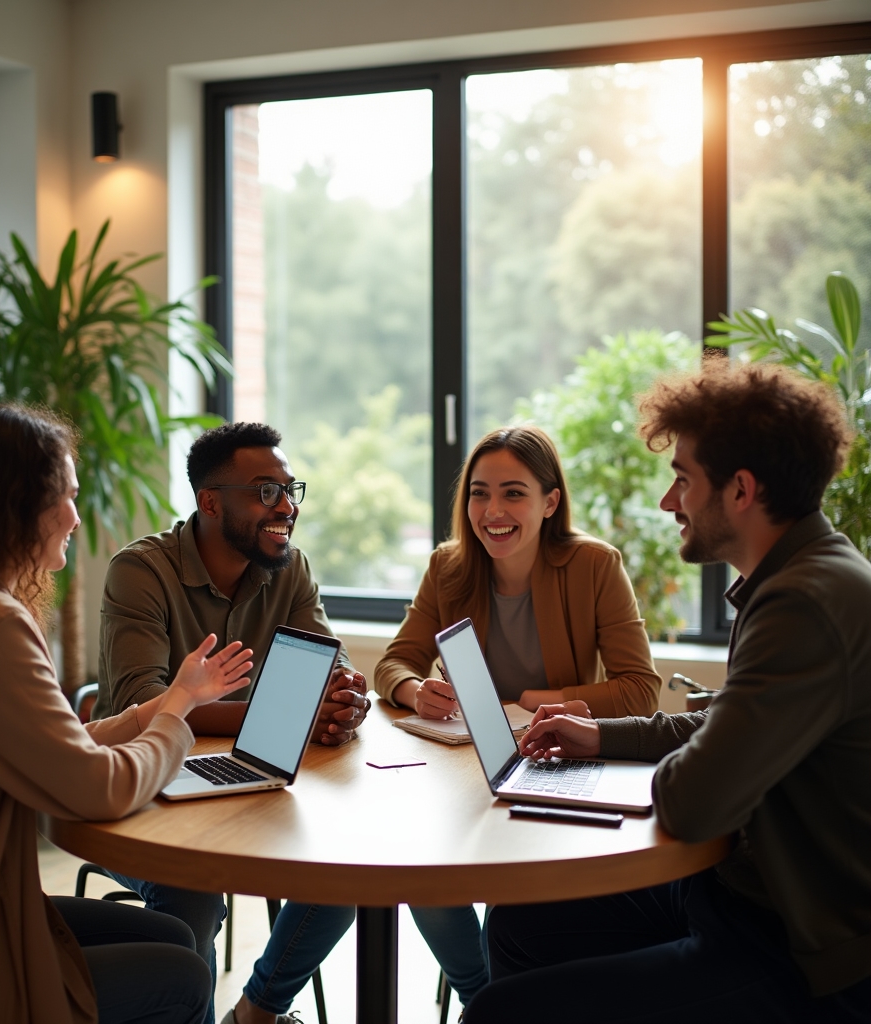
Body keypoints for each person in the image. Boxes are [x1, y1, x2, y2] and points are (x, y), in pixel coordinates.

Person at [465, 362, 871, 1023]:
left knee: (500, 1013)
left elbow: (692, 801)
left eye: (683, 479)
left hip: (800, 953)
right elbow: (731, 727)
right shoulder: (798, 573)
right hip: (741, 898)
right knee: (522, 920)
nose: (668, 502)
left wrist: (689, 759)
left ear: (740, 490)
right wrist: (600, 736)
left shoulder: (805, 603)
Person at [0, 403, 256, 1024]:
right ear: (7, 508)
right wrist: (178, 710)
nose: (73, 515)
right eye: (61, 497)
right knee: (184, 973)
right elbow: (98, 788)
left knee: (174, 937)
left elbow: (55, 745)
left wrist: (159, 708)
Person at [374, 424, 661, 1009]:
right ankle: (488, 1002)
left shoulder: (594, 566)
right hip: (461, 771)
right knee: (426, 875)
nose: (492, 510)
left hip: (552, 765)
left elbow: (641, 693)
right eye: (479, 493)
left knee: (520, 902)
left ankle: (498, 1004)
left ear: (550, 501)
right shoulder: (448, 566)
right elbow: (395, 662)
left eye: (513, 492)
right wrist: (411, 690)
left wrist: (530, 701)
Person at [93, 421, 370, 1024]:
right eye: (266, 490)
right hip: (137, 794)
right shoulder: (140, 572)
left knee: (349, 872)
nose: (287, 506)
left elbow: (330, 660)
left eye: (290, 488)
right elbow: (150, 701)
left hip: (243, 783)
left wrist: (344, 695)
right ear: (211, 501)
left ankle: (256, 1014)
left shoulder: (287, 568)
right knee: (191, 895)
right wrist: (284, 713)